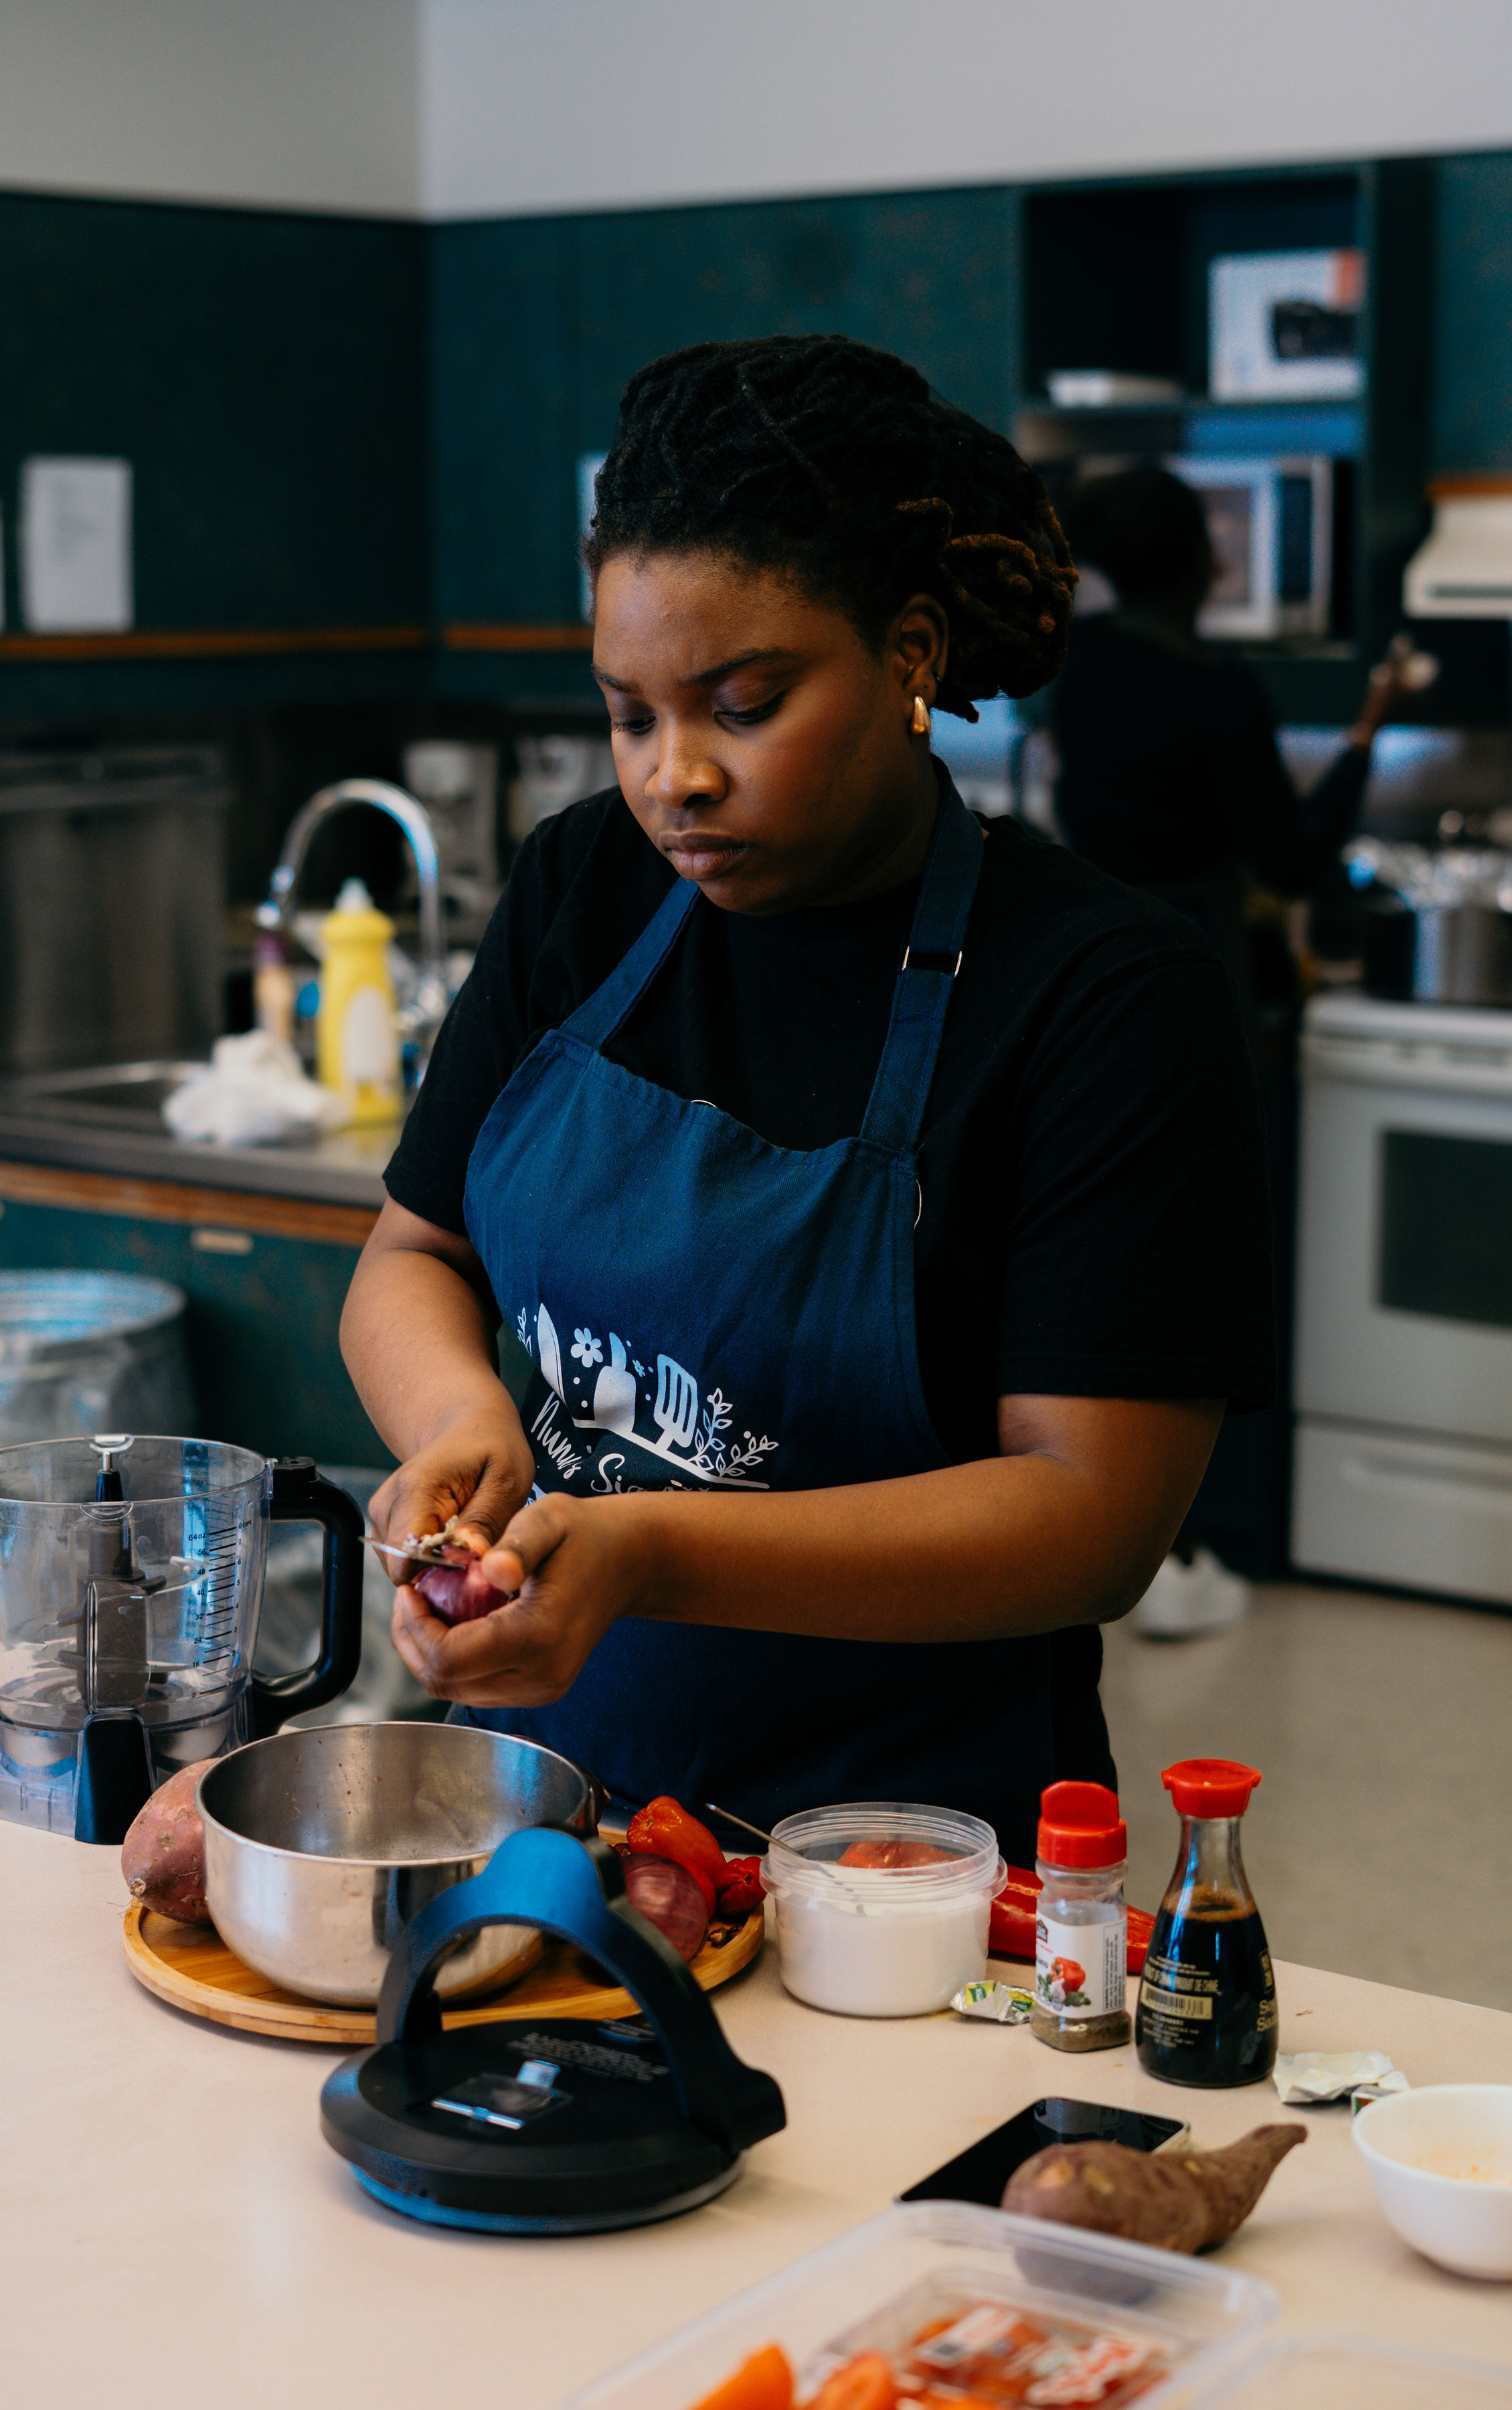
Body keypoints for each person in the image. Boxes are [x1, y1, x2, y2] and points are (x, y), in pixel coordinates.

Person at [339, 335, 1274, 1860]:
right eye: (630, 715)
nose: (672, 778)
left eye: (742, 703)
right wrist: (459, 1421)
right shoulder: (584, 885)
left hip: (908, 1861)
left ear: (909, 656)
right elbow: (412, 1254)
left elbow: (1092, 1514)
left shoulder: (1102, 993)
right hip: (543, 1817)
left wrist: (640, 1550)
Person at [1049, 465, 1418, 1005]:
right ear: (1204, 564)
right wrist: (1368, 729)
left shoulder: (1075, 665)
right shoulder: (1219, 691)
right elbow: (1292, 863)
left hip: (1094, 955)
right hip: (1194, 959)